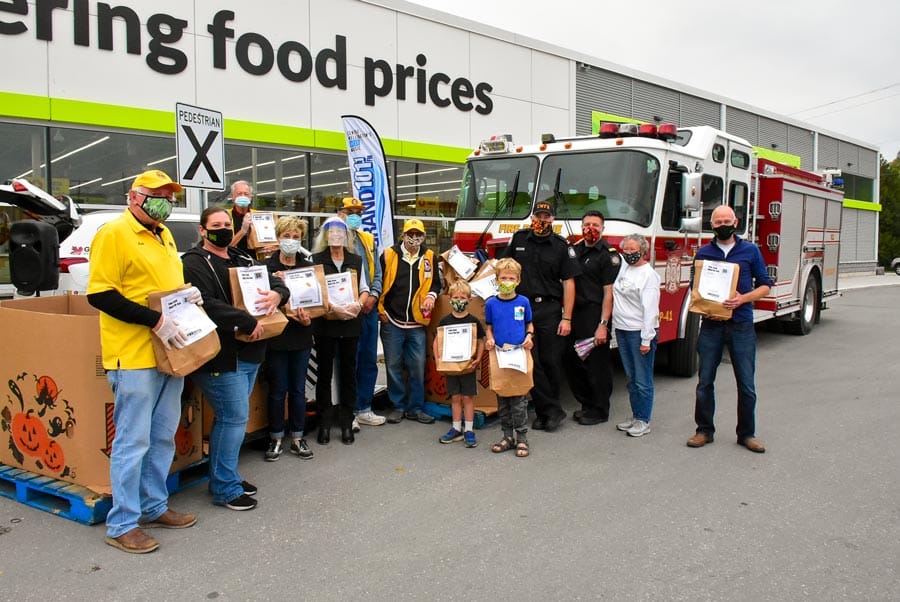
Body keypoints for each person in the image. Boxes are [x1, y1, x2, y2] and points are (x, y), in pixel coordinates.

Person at [87, 169, 199, 554]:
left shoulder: (163, 234)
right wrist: (156, 320)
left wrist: (188, 296)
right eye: (158, 194)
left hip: (169, 351)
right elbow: (101, 295)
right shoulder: (114, 233)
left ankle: (154, 506)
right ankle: (122, 523)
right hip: (133, 354)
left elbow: (163, 288)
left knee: (162, 435)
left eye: (170, 196)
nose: (165, 201)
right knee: (132, 441)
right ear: (134, 196)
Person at [182, 207, 289, 511]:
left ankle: (226, 476)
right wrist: (245, 320)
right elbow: (205, 302)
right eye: (216, 225)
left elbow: (276, 282)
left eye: (227, 224)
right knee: (233, 418)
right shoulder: (194, 263)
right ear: (203, 230)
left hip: (251, 352)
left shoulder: (242, 258)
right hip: (220, 354)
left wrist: (277, 295)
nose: (223, 229)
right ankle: (225, 488)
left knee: (231, 420)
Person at [687, 205, 773, 453]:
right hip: (711, 325)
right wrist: (704, 306)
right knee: (705, 382)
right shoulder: (703, 253)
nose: (723, 225)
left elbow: (765, 285)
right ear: (711, 225)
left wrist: (742, 298)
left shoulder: (750, 251)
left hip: (741, 325)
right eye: (718, 222)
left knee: (746, 384)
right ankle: (704, 430)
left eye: (727, 221)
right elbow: (695, 287)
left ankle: (746, 434)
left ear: (736, 223)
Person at [498, 200, 580, 432]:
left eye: (546, 217)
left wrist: (567, 317)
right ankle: (551, 411)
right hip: (522, 309)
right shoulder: (519, 239)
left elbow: (569, 283)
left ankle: (547, 412)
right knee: (531, 361)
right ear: (532, 217)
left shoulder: (561, 246)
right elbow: (503, 266)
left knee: (551, 361)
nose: (541, 220)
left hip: (550, 309)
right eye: (538, 216)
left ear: (553, 219)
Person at [312, 217, 368, 445]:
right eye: (331, 232)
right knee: (324, 374)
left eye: (340, 232)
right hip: (326, 325)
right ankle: (324, 423)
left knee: (348, 374)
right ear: (325, 236)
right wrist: (332, 307)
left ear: (347, 236)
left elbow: (364, 288)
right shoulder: (316, 260)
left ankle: (347, 422)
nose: (336, 235)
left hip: (350, 324)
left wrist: (359, 304)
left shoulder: (356, 260)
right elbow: (314, 291)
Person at [379, 218, 441, 425]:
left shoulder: (429, 256)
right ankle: (398, 406)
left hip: (417, 323)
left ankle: (416, 407)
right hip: (392, 321)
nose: (414, 238)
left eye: (418, 234)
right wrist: (381, 311)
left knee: (417, 367)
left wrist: (431, 296)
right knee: (393, 366)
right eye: (410, 234)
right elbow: (378, 282)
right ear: (403, 235)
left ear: (423, 236)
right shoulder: (389, 255)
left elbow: (436, 283)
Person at [263, 215, 315, 461]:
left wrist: (309, 319)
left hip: (302, 335)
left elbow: (318, 303)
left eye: (296, 237)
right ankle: (275, 437)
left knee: (297, 389)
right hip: (276, 336)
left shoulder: (309, 267)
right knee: (277, 389)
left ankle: (297, 436)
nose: (291, 240)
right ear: (278, 237)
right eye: (287, 236)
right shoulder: (266, 267)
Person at [562, 211, 619, 425]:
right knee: (573, 360)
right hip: (575, 313)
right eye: (587, 224)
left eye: (595, 225)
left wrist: (603, 324)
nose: (590, 228)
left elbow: (609, 293)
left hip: (595, 314)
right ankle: (586, 404)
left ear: (603, 228)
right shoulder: (575, 251)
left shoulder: (608, 255)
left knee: (597, 365)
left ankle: (599, 410)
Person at [337, 197, 385, 430]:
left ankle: (364, 407)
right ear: (340, 213)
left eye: (358, 212)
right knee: (349, 361)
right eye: (350, 212)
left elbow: (377, 271)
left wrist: (373, 295)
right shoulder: (335, 240)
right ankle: (349, 411)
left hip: (368, 309)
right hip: (347, 309)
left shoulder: (367, 239)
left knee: (368, 359)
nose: (355, 216)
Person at [485, 258, 534, 458]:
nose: (507, 281)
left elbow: (529, 324)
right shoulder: (491, 303)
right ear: (497, 279)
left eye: (511, 278)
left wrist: (529, 336)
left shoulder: (523, 302)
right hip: (499, 354)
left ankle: (522, 437)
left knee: (519, 400)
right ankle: (507, 436)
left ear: (518, 280)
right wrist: (489, 339)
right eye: (503, 277)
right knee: (503, 399)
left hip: (519, 354)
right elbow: (488, 327)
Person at [612, 234, 660, 438]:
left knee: (642, 379)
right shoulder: (624, 267)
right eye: (626, 250)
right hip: (622, 330)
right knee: (631, 378)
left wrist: (646, 339)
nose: (629, 253)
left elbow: (651, 310)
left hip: (639, 333)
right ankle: (635, 416)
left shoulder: (649, 275)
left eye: (634, 250)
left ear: (643, 251)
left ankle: (643, 420)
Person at [434, 280, 485, 448]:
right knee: (455, 397)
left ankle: (469, 430)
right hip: (451, 367)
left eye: (463, 298)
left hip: (468, 367)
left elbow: (481, 341)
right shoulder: (445, 321)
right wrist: (438, 360)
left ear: (470, 300)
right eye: (455, 297)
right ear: (449, 299)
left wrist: (478, 359)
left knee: (468, 397)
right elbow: (437, 341)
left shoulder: (474, 321)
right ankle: (456, 428)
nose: (459, 301)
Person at [226, 180, 256, 254]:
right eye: (239, 194)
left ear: (251, 197)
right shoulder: (225, 217)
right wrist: (243, 230)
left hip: (256, 259)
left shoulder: (259, 216)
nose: (243, 196)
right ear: (232, 196)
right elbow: (224, 247)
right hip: (234, 258)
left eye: (246, 194)